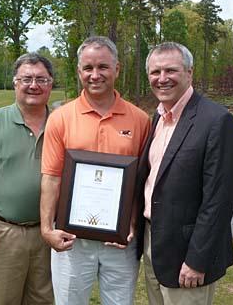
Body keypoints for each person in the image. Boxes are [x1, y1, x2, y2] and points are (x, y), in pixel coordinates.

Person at [40, 36, 150, 305]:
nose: (95, 75)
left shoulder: (140, 119)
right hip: (72, 240)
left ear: (117, 69)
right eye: (88, 68)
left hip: (121, 242)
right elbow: (52, 177)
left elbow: (141, 182)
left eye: (103, 67)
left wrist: (132, 223)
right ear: (79, 72)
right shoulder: (61, 118)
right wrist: (46, 229)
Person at [135, 42, 233, 305]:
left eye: (170, 70)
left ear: (189, 73)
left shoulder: (216, 120)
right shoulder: (158, 118)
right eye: (154, 72)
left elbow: (219, 200)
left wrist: (197, 259)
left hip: (187, 254)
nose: (162, 79)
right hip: (154, 243)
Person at [0, 52, 54, 305]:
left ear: (51, 84)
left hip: (48, 234)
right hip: (3, 232)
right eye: (26, 79)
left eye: (41, 79)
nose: (34, 85)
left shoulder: (61, 123)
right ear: (15, 83)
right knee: (4, 300)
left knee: (44, 300)